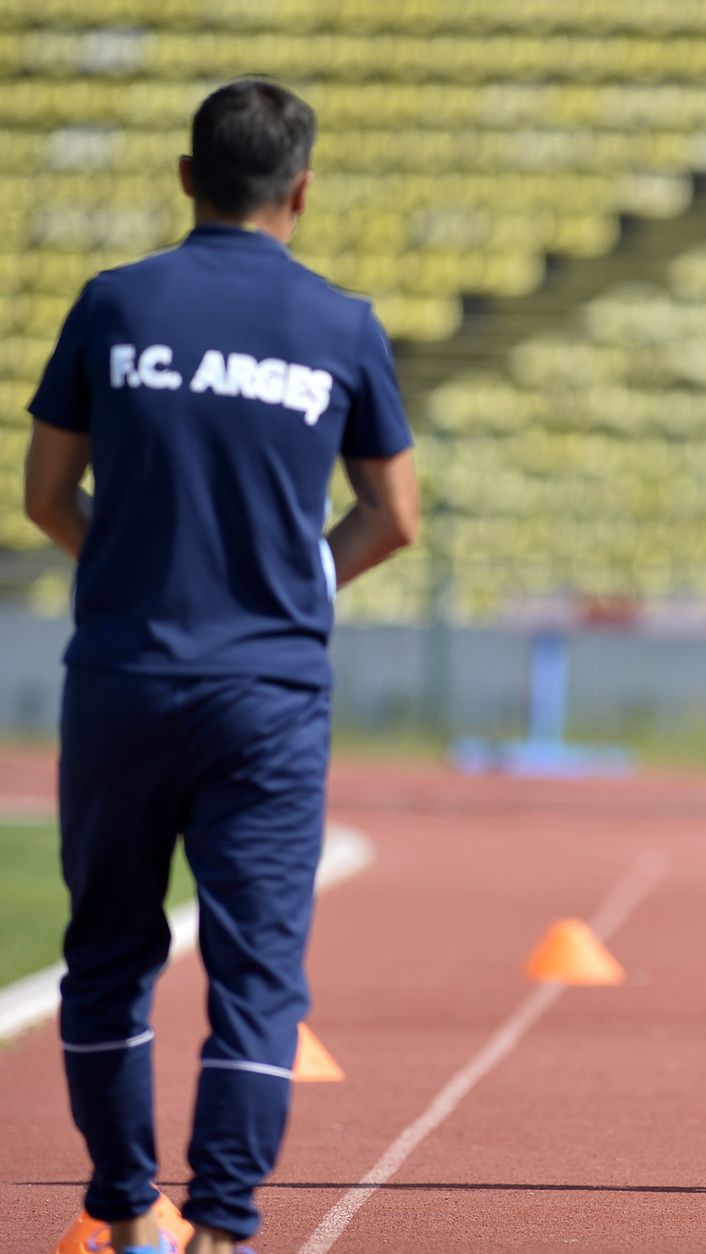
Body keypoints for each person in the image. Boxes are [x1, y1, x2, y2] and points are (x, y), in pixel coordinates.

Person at [23, 79, 419, 1253]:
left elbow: (45, 495)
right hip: (268, 694)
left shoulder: (112, 302)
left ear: (188, 177)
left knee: (107, 955)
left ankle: (126, 1213)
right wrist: (290, 584)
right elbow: (393, 516)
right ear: (302, 192)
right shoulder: (341, 324)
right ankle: (224, 1227)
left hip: (124, 676)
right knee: (257, 973)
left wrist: (136, 567)